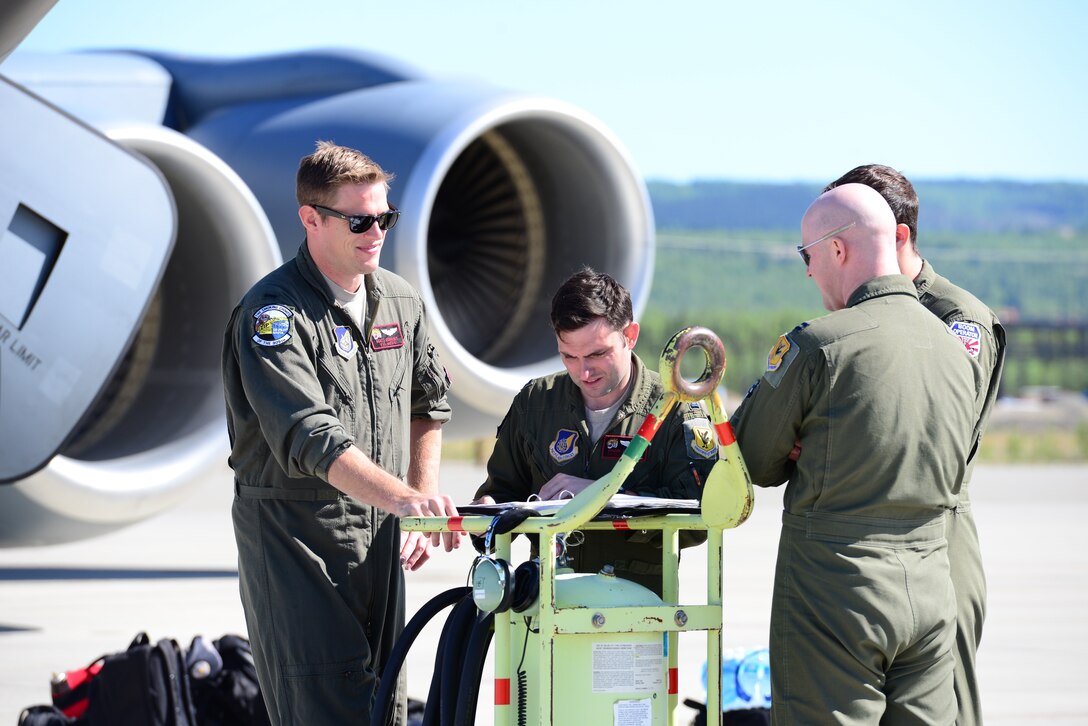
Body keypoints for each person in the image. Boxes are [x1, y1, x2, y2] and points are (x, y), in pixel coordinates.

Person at [221, 141, 461, 725]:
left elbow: (429, 402)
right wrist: (406, 499)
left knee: (385, 711)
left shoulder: (399, 302)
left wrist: (420, 499)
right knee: (326, 707)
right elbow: (312, 437)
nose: (376, 231)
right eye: (359, 220)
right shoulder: (274, 316)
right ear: (311, 219)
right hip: (301, 548)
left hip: (380, 548)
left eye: (385, 217)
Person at [729, 184, 983, 724]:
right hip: (933, 588)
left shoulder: (819, 345)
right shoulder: (953, 348)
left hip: (836, 591)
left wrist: (807, 445)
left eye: (807, 255)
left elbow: (749, 459)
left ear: (837, 251)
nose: (807, 271)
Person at [826, 164, 1006, 726]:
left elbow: (934, 441)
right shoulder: (853, 318)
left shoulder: (957, 321)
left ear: (895, 235)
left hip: (935, 540)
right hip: (864, 551)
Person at [474, 268, 718, 595]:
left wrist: (599, 498)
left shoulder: (675, 409)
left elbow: (699, 515)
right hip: (547, 607)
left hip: (637, 611)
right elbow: (503, 492)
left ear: (629, 336)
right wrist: (485, 512)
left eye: (597, 354)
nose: (583, 371)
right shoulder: (535, 403)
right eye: (569, 356)